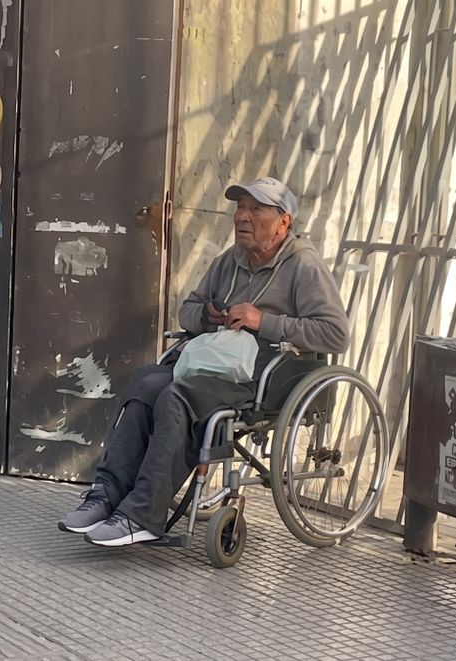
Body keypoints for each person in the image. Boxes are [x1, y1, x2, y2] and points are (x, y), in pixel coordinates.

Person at [58, 177, 350, 547]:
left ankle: (142, 513)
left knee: (178, 396)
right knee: (147, 382)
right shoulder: (229, 261)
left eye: (255, 209)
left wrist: (265, 321)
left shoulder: (303, 266)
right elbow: (188, 310)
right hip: (214, 359)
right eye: (240, 207)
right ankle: (106, 494)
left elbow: (335, 334)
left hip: (261, 374)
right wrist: (208, 315)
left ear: (283, 221)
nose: (242, 217)